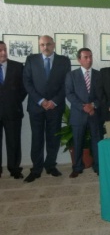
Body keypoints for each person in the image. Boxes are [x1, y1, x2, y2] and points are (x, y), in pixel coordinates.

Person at [23, 35, 71, 183]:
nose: (45, 47)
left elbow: (66, 84)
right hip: (36, 107)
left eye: (48, 44)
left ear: (54, 44)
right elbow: (27, 82)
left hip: (55, 107)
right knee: (37, 138)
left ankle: (50, 165)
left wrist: (54, 102)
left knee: (53, 137)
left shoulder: (64, 61)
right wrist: (41, 100)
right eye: (42, 45)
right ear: (39, 46)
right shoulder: (31, 59)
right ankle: (36, 169)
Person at [65, 48, 103, 178]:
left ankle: (98, 166)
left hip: (94, 114)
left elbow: (102, 95)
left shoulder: (99, 75)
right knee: (77, 141)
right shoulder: (71, 75)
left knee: (96, 141)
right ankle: (77, 167)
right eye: (86, 57)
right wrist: (83, 107)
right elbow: (69, 94)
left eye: (91, 56)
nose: (89, 59)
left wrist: (93, 105)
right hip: (78, 114)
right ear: (79, 59)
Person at [0, 41, 27, 179]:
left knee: (14, 141)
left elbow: (24, 89)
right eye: (0, 50)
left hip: (13, 111)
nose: (3, 53)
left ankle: (14, 168)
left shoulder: (17, 66)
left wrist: (15, 101)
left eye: (5, 49)